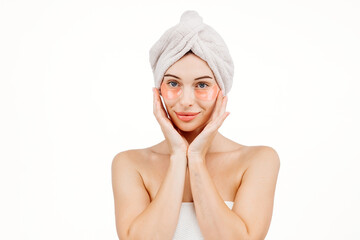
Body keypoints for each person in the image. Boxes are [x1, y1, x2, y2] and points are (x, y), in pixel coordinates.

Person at [112, 10, 280, 240]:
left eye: (202, 85)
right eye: (173, 83)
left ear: (222, 91)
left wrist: (197, 158)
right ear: (158, 90)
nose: (186, 101)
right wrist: (178, 156)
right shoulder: (130, 164)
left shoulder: (258, 160)